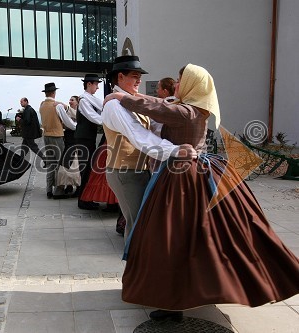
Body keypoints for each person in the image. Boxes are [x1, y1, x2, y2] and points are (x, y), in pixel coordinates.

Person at [108, 64, 299, 320]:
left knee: (170, 237)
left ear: (192, 85)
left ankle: (171, 302)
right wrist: (135, 96)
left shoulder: (186, 112)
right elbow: (159, 102)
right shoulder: (195, 107)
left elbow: (156, 107)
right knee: (193, 236)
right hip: (192, 172)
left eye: (180, 79)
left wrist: (122, 97)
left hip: (181, 176)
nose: (176, 84)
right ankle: (187, 293)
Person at [101, 55, 195, 244]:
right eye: (135, 76)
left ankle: (140, 265)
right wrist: (175, 150)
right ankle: (134, 267)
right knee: (138, 224)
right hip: (124, 172)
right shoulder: (114, 105)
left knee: (144, 221)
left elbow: (155, 125)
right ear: (120, 77)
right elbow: (138, 136)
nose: (139, 80)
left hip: (137, 170)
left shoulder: (128, 101)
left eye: (140, 76)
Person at [39, 82, 76, 199]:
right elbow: (68, 123)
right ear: (54, 92)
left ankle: (49, 190)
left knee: (50, 164)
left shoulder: (42, 105)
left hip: (46, 136)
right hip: (57, 136)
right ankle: (59, 191)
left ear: (46, 93)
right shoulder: (57, 106)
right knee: (61, 164)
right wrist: (76, 126)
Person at [74, 74, 104, 210]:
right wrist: (108, 121)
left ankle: (87, 198)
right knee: (85, 169)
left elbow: (102, 105)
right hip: (83, 139)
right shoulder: (84, 100)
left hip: (87, 138)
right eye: (96, 84)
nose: (97, 87)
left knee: (88, 169)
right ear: (89, 84)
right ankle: (83, 200)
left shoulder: (90, 98)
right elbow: (93, 117)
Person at [55, 95, 79, 194]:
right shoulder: (67, 113)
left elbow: (76, 116)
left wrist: (65, 106)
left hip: (75, 141)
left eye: (72, 100)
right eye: (69, 100)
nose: (70, 101)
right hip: (68, 140)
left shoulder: (79, 112)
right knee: (65, 166)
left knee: (74, 166)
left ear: (78, 102)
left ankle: (77, 186)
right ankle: (68, 185)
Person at [17, 97, 44, 165]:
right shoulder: (28, 109)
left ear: (26, 101)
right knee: (24, 148)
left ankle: (45, 159)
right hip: (28, 133)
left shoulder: (28, 110)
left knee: (33, 147)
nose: (20, 103)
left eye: (22, 102)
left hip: (29, 133)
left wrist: (19, 120)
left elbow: (27, 122)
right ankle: (20, 161)